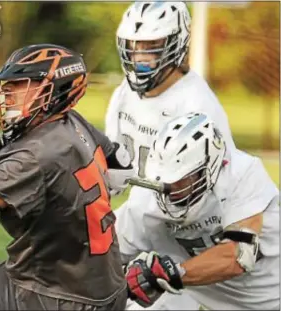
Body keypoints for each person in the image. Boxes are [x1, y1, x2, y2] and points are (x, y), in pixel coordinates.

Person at [0, 44, 130, 310]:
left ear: (57, 89)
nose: (7, 95)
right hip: (91, 277)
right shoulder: (73, 122)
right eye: (6, 87)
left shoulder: (36, 154)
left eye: (20, 85)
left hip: (58, 290)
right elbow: (122, 168)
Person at [104, 3, 241, 308]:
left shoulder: (196, 105)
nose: (139, 57)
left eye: (151, 47)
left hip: (186, 239)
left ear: (176, 43)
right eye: (133, 47)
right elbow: (114, 172)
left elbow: (195, 198)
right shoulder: (123, 95)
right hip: (143, 225)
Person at [120, 112, 279, 310]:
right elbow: (103, 253)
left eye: (181, 178)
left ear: (209, 167)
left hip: (271, 298)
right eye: (166, 179)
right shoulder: (145, 199)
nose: (170, 189)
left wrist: (171, 274)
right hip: (193, 296)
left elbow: (238, 256)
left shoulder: (242, 174)